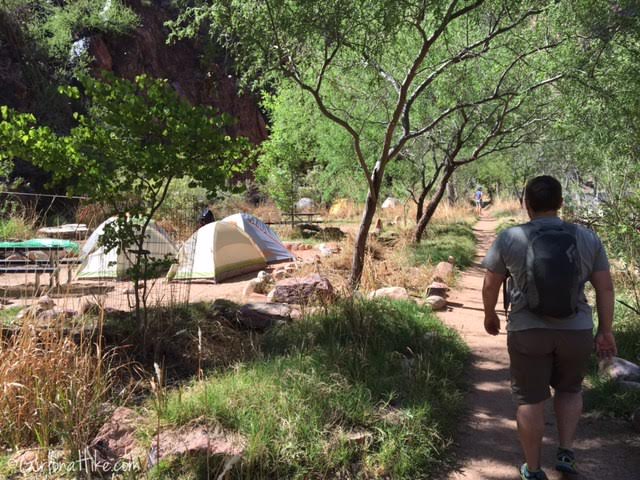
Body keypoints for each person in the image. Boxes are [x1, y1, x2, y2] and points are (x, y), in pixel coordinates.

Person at [481, 175, 617, 480]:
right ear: (561, 204)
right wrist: (605, 330)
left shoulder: (509, 237)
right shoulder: (587, 238)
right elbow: (605, 288)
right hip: (576, 330)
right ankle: (566, 451)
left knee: (530, 399)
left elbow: (491, 284)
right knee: (570, 388)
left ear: (526, 204)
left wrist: (490, 315)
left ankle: (533, 468)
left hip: (528, 331)